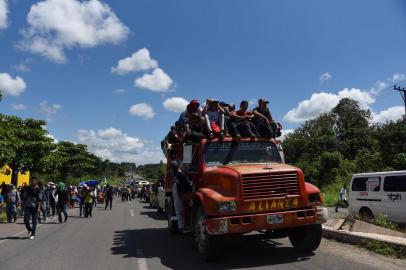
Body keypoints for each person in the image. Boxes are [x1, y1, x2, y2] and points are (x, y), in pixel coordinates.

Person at [171, 161, 192, 233]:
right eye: (183, 165)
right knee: (182, 209)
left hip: (179, 191)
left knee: (179, 209)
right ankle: (183, 226)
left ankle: (182, 226)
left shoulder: (176, 173)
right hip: (181, 192)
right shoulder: (180, 173)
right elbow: (189, 183)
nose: (184, 166)